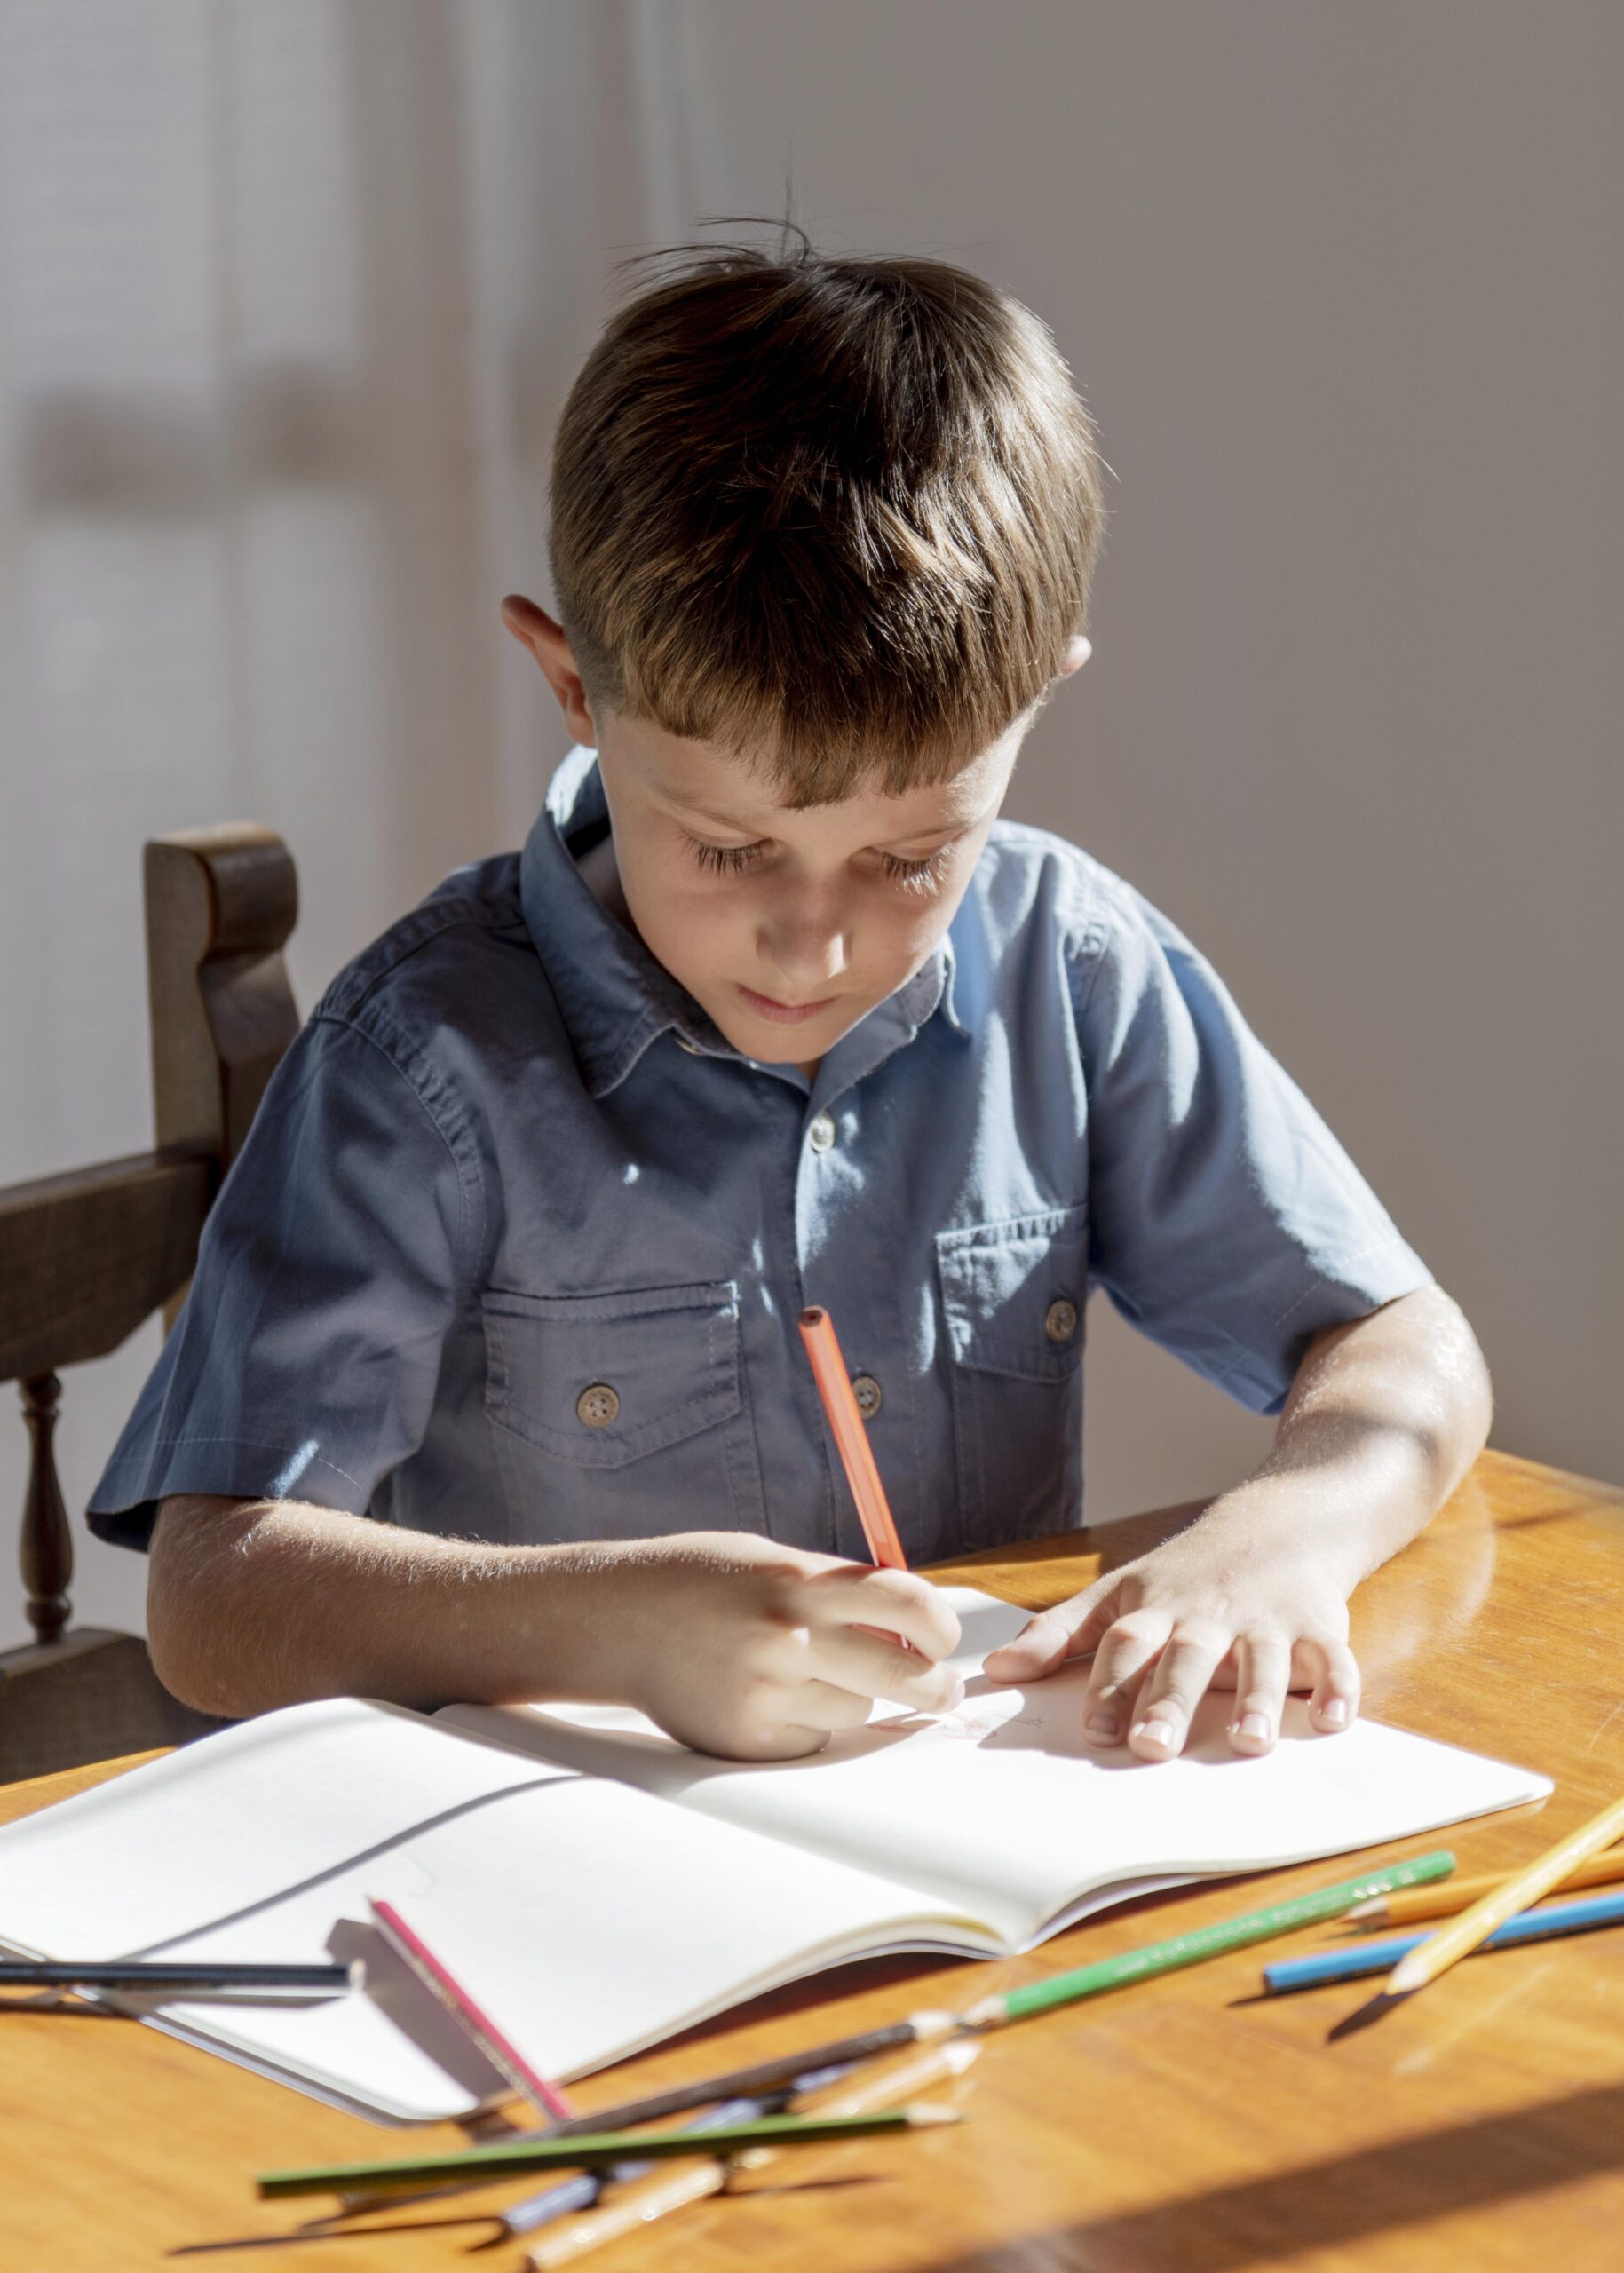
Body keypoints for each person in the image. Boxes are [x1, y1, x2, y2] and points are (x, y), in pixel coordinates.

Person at [91, 231, 1491, 1766]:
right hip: (552, 1849)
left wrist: (1282, 1535)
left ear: (1035, 699)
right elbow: (210, 1597)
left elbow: (1405, 1350)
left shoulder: (1067, 964)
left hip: (967, 1834)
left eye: (908, 858)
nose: (811, 947)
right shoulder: (423, 1058)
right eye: (729, 846)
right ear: (571, 686)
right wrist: (605, 1628)